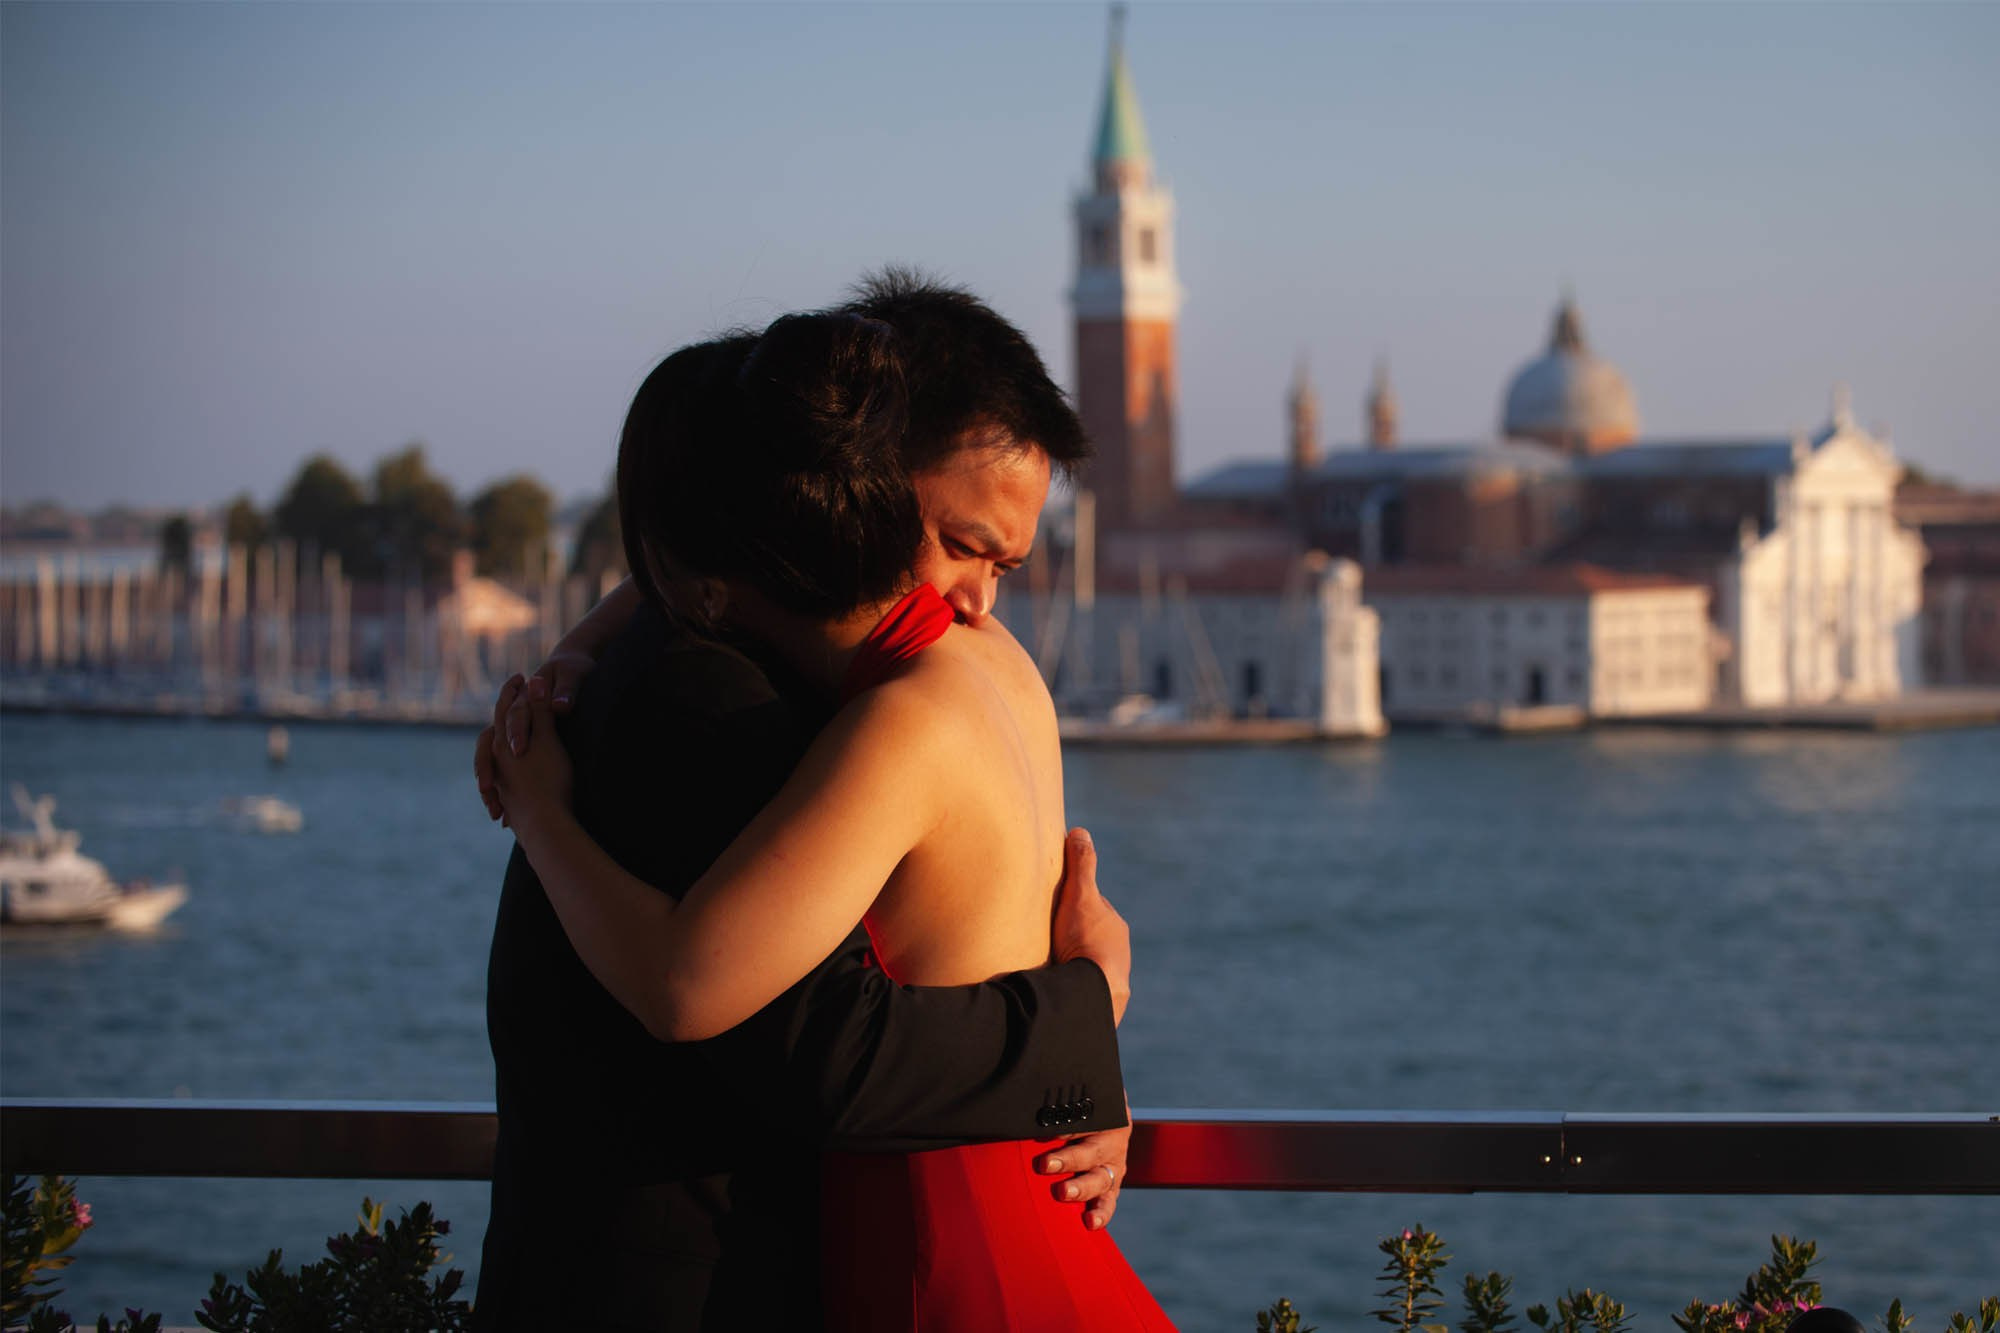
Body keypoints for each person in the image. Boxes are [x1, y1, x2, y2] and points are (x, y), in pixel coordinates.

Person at [487, 300, 1174, 1329]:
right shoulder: (988, 673)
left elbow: (693, 988)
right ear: (856, 478)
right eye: (961, 544)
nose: (980, 598)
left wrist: (538, 813)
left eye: (1003, 564)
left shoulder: (898, 707)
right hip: (1004, 1223)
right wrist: (1077, 1047)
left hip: (944, 1254)